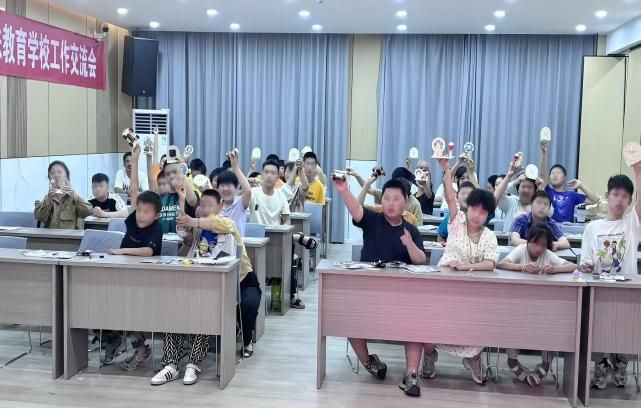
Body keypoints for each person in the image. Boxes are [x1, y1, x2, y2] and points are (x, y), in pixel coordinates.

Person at [334, 174, 426, 397]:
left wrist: (410, 245)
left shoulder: (411, 230)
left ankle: (411, 373)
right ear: (381, 201)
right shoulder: (372, 220)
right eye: (386, 198)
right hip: (368, 293)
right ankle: (369, 361)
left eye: (396, 199)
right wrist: (344, 190)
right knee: (347, 318)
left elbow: (421, 260)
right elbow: (355, 210)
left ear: (406, 203)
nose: (391, 203)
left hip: (401, 297)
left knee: (417, 320)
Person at [423, 158, 499, 386]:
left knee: (482, 321)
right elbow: (449, 194)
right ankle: (429, 355)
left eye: (483, 212)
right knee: (429, 320)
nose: (477, 214)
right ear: (468, 207)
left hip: (474, 292)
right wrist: (448, 169)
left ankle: (473, 358)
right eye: (474, 208)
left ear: (488, 215)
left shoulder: (489, 236)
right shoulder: (456, 222)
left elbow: (490, 263)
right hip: (444, 288)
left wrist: (466, 267)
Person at [102, 145, 163, 369]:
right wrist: (135, 161)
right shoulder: (132, 219)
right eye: (139, 210)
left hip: (143, 279)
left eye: (147, 212)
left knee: (129, 309)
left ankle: (140, 348)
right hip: (121, 272)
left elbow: (148, 251)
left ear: (156, 215)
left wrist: (122, 251)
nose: (141, 215)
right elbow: (135, 190)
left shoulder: (156, 229)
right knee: (103, 304)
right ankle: (117, 341)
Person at [580, 172, 641, 390]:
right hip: (601, 288)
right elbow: (585, 260)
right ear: (607, 196)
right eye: (616, 194)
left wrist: (638, 170)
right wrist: (586, 265)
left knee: (625, 329)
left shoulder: (632, 223)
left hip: (628, 290)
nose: (620, 200)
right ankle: (602, 364)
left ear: (630, 201)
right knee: (598, 329)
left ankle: (621, 363)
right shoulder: (592, 228)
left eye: (625, 196)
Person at [497, 223, 577, 387]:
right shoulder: (521, 250)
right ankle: (512, 360)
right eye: (535, 243)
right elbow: (501, 264)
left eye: (543, 245)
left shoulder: (547, 254)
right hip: (519, 304)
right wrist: (522, 267)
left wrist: (554, 269)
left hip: (542, 307)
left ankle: (546, 363)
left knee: (551, 324)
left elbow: (573, 266)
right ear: (528, 241)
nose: (539, 248)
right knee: (511, 321)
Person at [249, 159, 307, 309]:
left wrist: (284, 232)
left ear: (277, 176)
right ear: (262, 174)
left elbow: (286, 220)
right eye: (266, 172)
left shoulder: (280, 195)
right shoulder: (252, 193)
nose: (269, 175)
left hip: (276, 239)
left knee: (289, 252)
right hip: (256, 240)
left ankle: (291, 295)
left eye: (273, 173)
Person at [540, 142, 598, 223]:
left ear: (565, 178)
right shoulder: (548, 191)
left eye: (558, 173)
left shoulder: (572, 195)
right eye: (552, 174)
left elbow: (595, 200)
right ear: (549, 178)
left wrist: (581, 186)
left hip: (568, 228)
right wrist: (544, 153)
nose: (555, 175)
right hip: (551, 227)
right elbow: (543, 176)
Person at [145, 147, 198, 233]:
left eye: (175, 172)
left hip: (182, 239)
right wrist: (149, 156)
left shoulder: (187, 193)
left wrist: (181, 169)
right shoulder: (160, 194)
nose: (172, 176)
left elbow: (192, 201)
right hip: (162, 239)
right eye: (168, 173)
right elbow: (151, 179)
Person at [34, 161, 93, 229]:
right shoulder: (47, 198)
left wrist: (76, 198)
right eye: (52, 173)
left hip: (71, 235)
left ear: (66, 176)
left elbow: (88, 212)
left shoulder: (74, 196)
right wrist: (47, 201)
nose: (56, 175)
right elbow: (39, 217)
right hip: (51, 235)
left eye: (59, 172)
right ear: (50, 179)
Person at [494, 159, 538, 233]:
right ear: (518, 189)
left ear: (534, 191)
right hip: (509, 240)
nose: (526, 190)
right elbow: (497, 195)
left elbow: (550, 211)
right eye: (523, 186)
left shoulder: (538, 205)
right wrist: (511, 178)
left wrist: (541, 187)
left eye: (530, 187)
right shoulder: (512, 202)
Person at [217, 149, 252, 237]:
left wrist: (235, 167)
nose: (225, 189)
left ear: (236, 188)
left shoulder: (240, 203)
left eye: (229, 185)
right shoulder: (215, 206)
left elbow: (248, 190)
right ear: (217, 188)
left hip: (237, 245)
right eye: (222, 185)